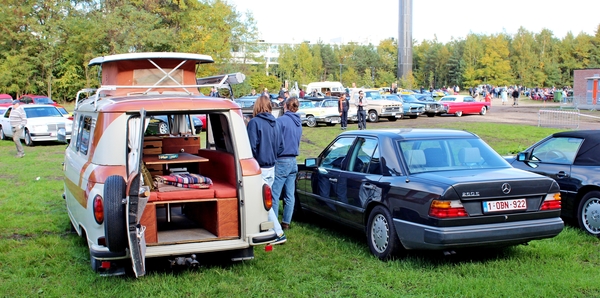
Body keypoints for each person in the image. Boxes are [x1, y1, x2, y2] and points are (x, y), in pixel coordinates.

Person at [246, 95, 286, 244]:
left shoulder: (254, 123)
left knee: (263, 202)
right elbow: (281, 146)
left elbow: (250, 147)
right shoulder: (276, 123)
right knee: (265, 201)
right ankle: (267, 230)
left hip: (259, 168)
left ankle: (278, 232)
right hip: (272, 167)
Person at [270, 96, 302, 230]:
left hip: (282, 159)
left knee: (275, 194)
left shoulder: (280, 121)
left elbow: (275, 140)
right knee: (290, 194)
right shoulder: (298, 122)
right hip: (293, 160)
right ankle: (286, 222)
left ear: (286, 106)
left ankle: (274, 224)